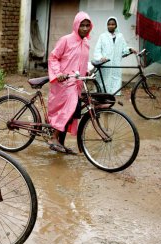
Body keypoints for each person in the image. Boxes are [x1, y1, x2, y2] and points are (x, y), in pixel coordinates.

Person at [47, 11, 93, 154]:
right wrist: (58, 74)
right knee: (68, 109)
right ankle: (53, 137)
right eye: (82, 25)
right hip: (64, 83)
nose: (85, 28)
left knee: (72, 115)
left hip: (76, 84)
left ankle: (61, 143)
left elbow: (81, 63)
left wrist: (87, 71)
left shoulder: (86, 43)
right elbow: (53, 57)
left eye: (87, 25)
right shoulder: (66, 40)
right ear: (76, 25)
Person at [94, 17, 136, 95]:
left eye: (113, 24)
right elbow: (97, 49)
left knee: (114, 84)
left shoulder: (120, 36)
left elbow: (124, 48)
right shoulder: (102, 36)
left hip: (116, 65)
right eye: (109, 24)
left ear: (116, 25)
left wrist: (130, 49)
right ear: (107, 25)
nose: (111, 26)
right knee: (103, 83)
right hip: (105, 64)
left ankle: (110, 100)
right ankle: (101, 100)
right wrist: (100, 57)